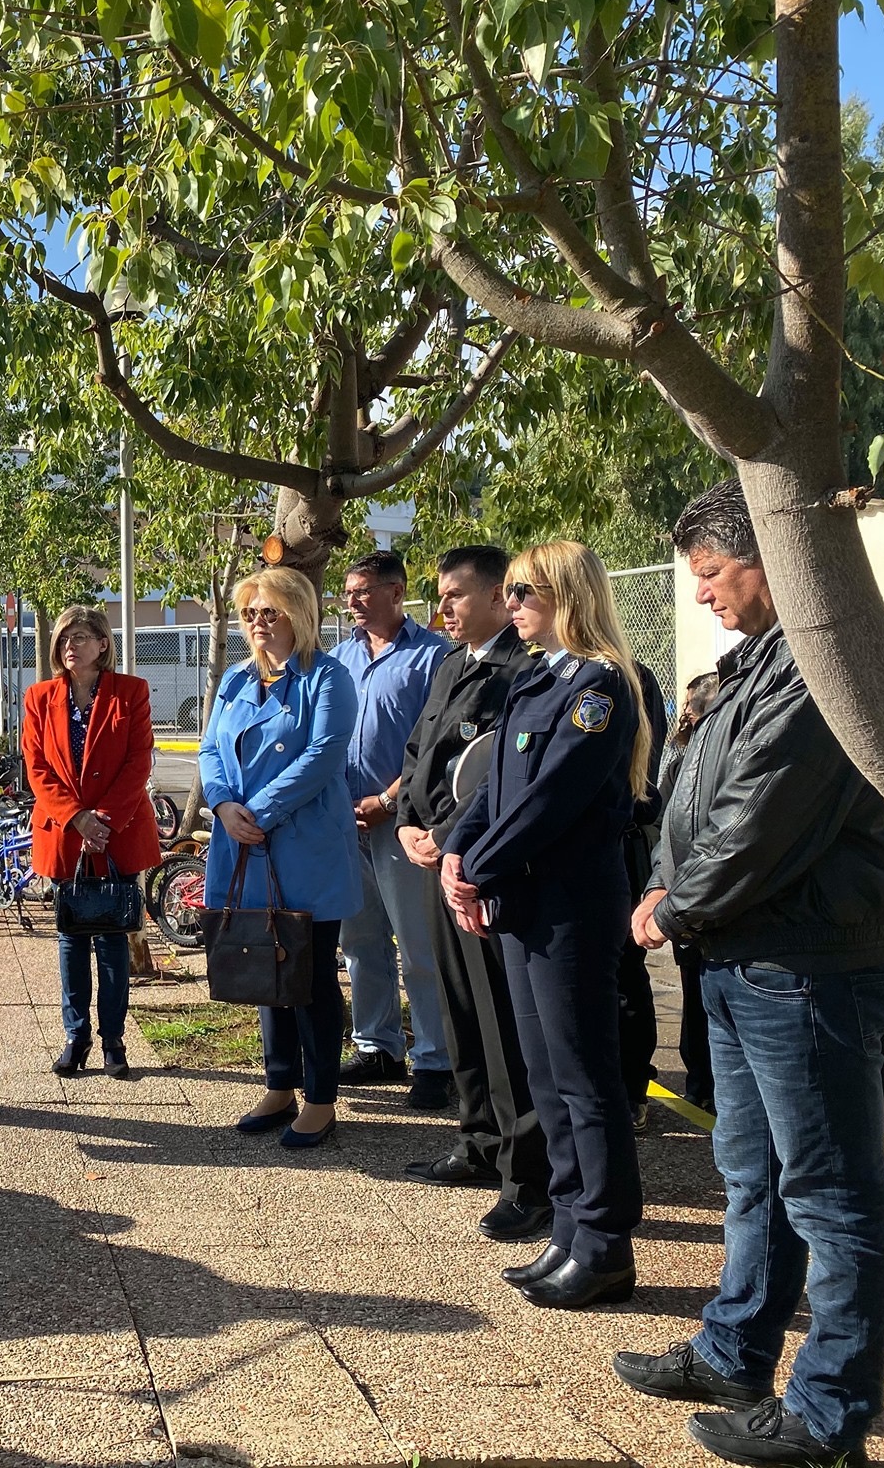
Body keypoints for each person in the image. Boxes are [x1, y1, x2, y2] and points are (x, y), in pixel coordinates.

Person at [614, 479, 884, 1468]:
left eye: (707, 574)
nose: (696, 595)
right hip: (743, 955)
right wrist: (663, 889)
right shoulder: (755, 665)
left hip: (803, 963)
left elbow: (755, 825)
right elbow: (692, 800)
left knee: (827, 1196)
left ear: (767, 561)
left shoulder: (817, 668)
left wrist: (673, 905)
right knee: (754, 1178)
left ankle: (829, 1413)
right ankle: (735, 1351)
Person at [443, 541, 651, 1310]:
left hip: (569, 909)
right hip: (523, 905)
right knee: (547, 1080)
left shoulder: (599, 687)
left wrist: (478, 866)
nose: (515, 601)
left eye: (526, 590)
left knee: (585, 1079)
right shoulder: (537, 678)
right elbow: (494, 788)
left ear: (565, 593)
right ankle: (568, 1229)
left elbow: (550, 800)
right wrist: (457, 854)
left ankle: (603, 1245)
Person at [393, 545, 552, 1242]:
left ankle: (526, 1176)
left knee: (504, 1026)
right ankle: (478, 1139)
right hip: (436, 861)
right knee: (459, 1011)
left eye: (456, 595)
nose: (444, 610)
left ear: (497, 596)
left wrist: (450, 837)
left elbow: (498, 780)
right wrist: (407, 825)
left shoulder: (524, 670)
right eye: (441, 596)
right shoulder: (453, 665)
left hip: (483, 868)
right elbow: (418, 754)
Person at [199, 567, 363, 1152]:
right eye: (250, 614)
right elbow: (211, 747)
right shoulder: (236, 679)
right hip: (243, 843)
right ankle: (279, 1084)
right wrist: (221, 804)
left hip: (304, 846)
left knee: (311, 974)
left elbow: (323, 755)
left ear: (297, 613)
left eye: (269, 612)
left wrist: (258, 811)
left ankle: (320, 1098)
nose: (258, 623)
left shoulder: (329, 677)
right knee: (265, 965)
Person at [328, 551, 454, 1107]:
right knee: (359, 940)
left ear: (396, 592)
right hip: (345, 823)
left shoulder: (433, 657)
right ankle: (377, 1046)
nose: (352, 601)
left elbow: (439, 747)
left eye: (363, 591)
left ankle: (434, 1058)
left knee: (418, 944)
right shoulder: (340, 658)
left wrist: (385, 799)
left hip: (404, 822)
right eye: (348, 592)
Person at [21, 605, 159, 1079]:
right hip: (65, 834)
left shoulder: (131, 692)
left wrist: (105, 820)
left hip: (117, 834)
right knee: (71, 938)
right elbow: (37, 768)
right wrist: (77, 817)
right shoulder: (39, 698)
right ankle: (75, 1038)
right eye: (64, 639)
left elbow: (139, 759)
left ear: (103, 644)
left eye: (80, 636)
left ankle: (114, 1041)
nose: (70, 646)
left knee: (114, 937)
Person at [656, 671, 721, 1113]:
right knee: (695, 993)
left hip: (695, 893)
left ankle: (703, 1082)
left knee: (699, 996)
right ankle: (700, 1082)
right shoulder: (685, 755)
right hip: (686, 894)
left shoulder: (693, 755)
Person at [613, 662, 670, 1130]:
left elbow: (638, 784)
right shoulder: (537, 667)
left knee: (623, 974)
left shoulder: (630, 676)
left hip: (616, 846)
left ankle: (632, 1089)